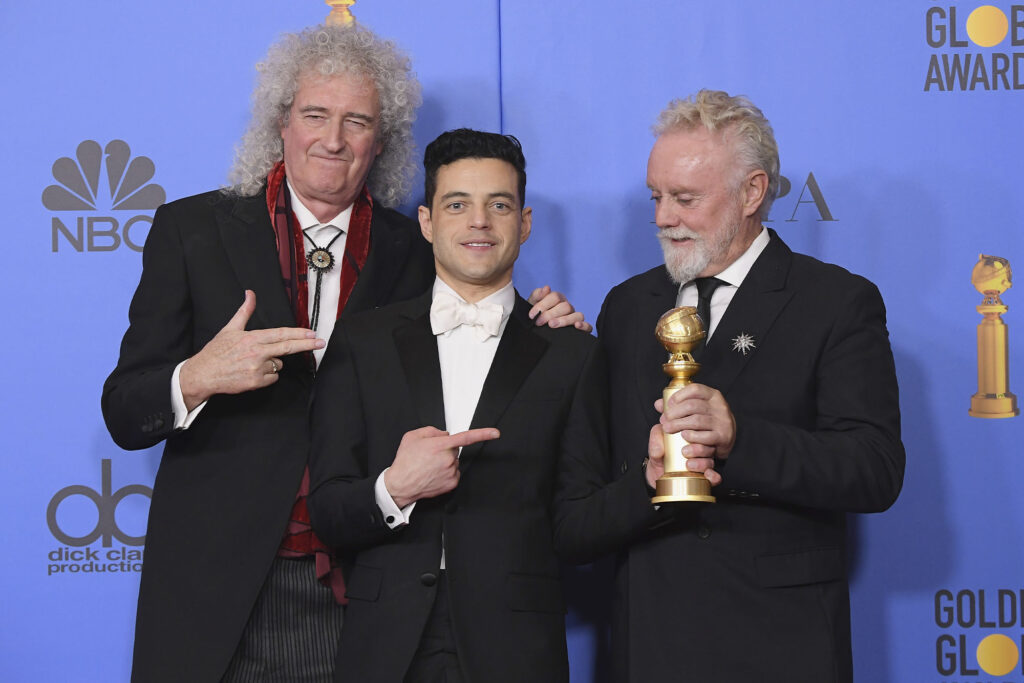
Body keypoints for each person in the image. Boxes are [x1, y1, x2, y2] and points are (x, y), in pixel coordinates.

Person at [101, 26, 586, 683]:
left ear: (380, 142)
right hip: (218, 580)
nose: (334, 139)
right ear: (281, 123)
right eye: (316, 115)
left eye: (356, 121)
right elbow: (125, 410)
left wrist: (544, 320)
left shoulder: (415, 248)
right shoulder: (193, 231)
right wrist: (196, 377)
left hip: (370, 581)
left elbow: (482, 320)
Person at [578, 90, 905, 681]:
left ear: (753, 192)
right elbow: (594, 483)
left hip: (780, 642)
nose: (662, 217)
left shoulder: (835, 301)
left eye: (685, 198)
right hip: (649, 638)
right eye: (656, 196)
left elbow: (874, 467)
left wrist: (739, 439)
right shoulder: (627, 307)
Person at [307, 129, 608, 683]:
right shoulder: (361, 341)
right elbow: (327, 509)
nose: (479, 222)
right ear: (426, 222)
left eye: (499, 204)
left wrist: (654, 482)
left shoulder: (575, 355)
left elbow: (580, 523)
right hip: (385, 643)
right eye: (457, 204)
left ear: (525, 222)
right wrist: (395, 488)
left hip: (517, 648)